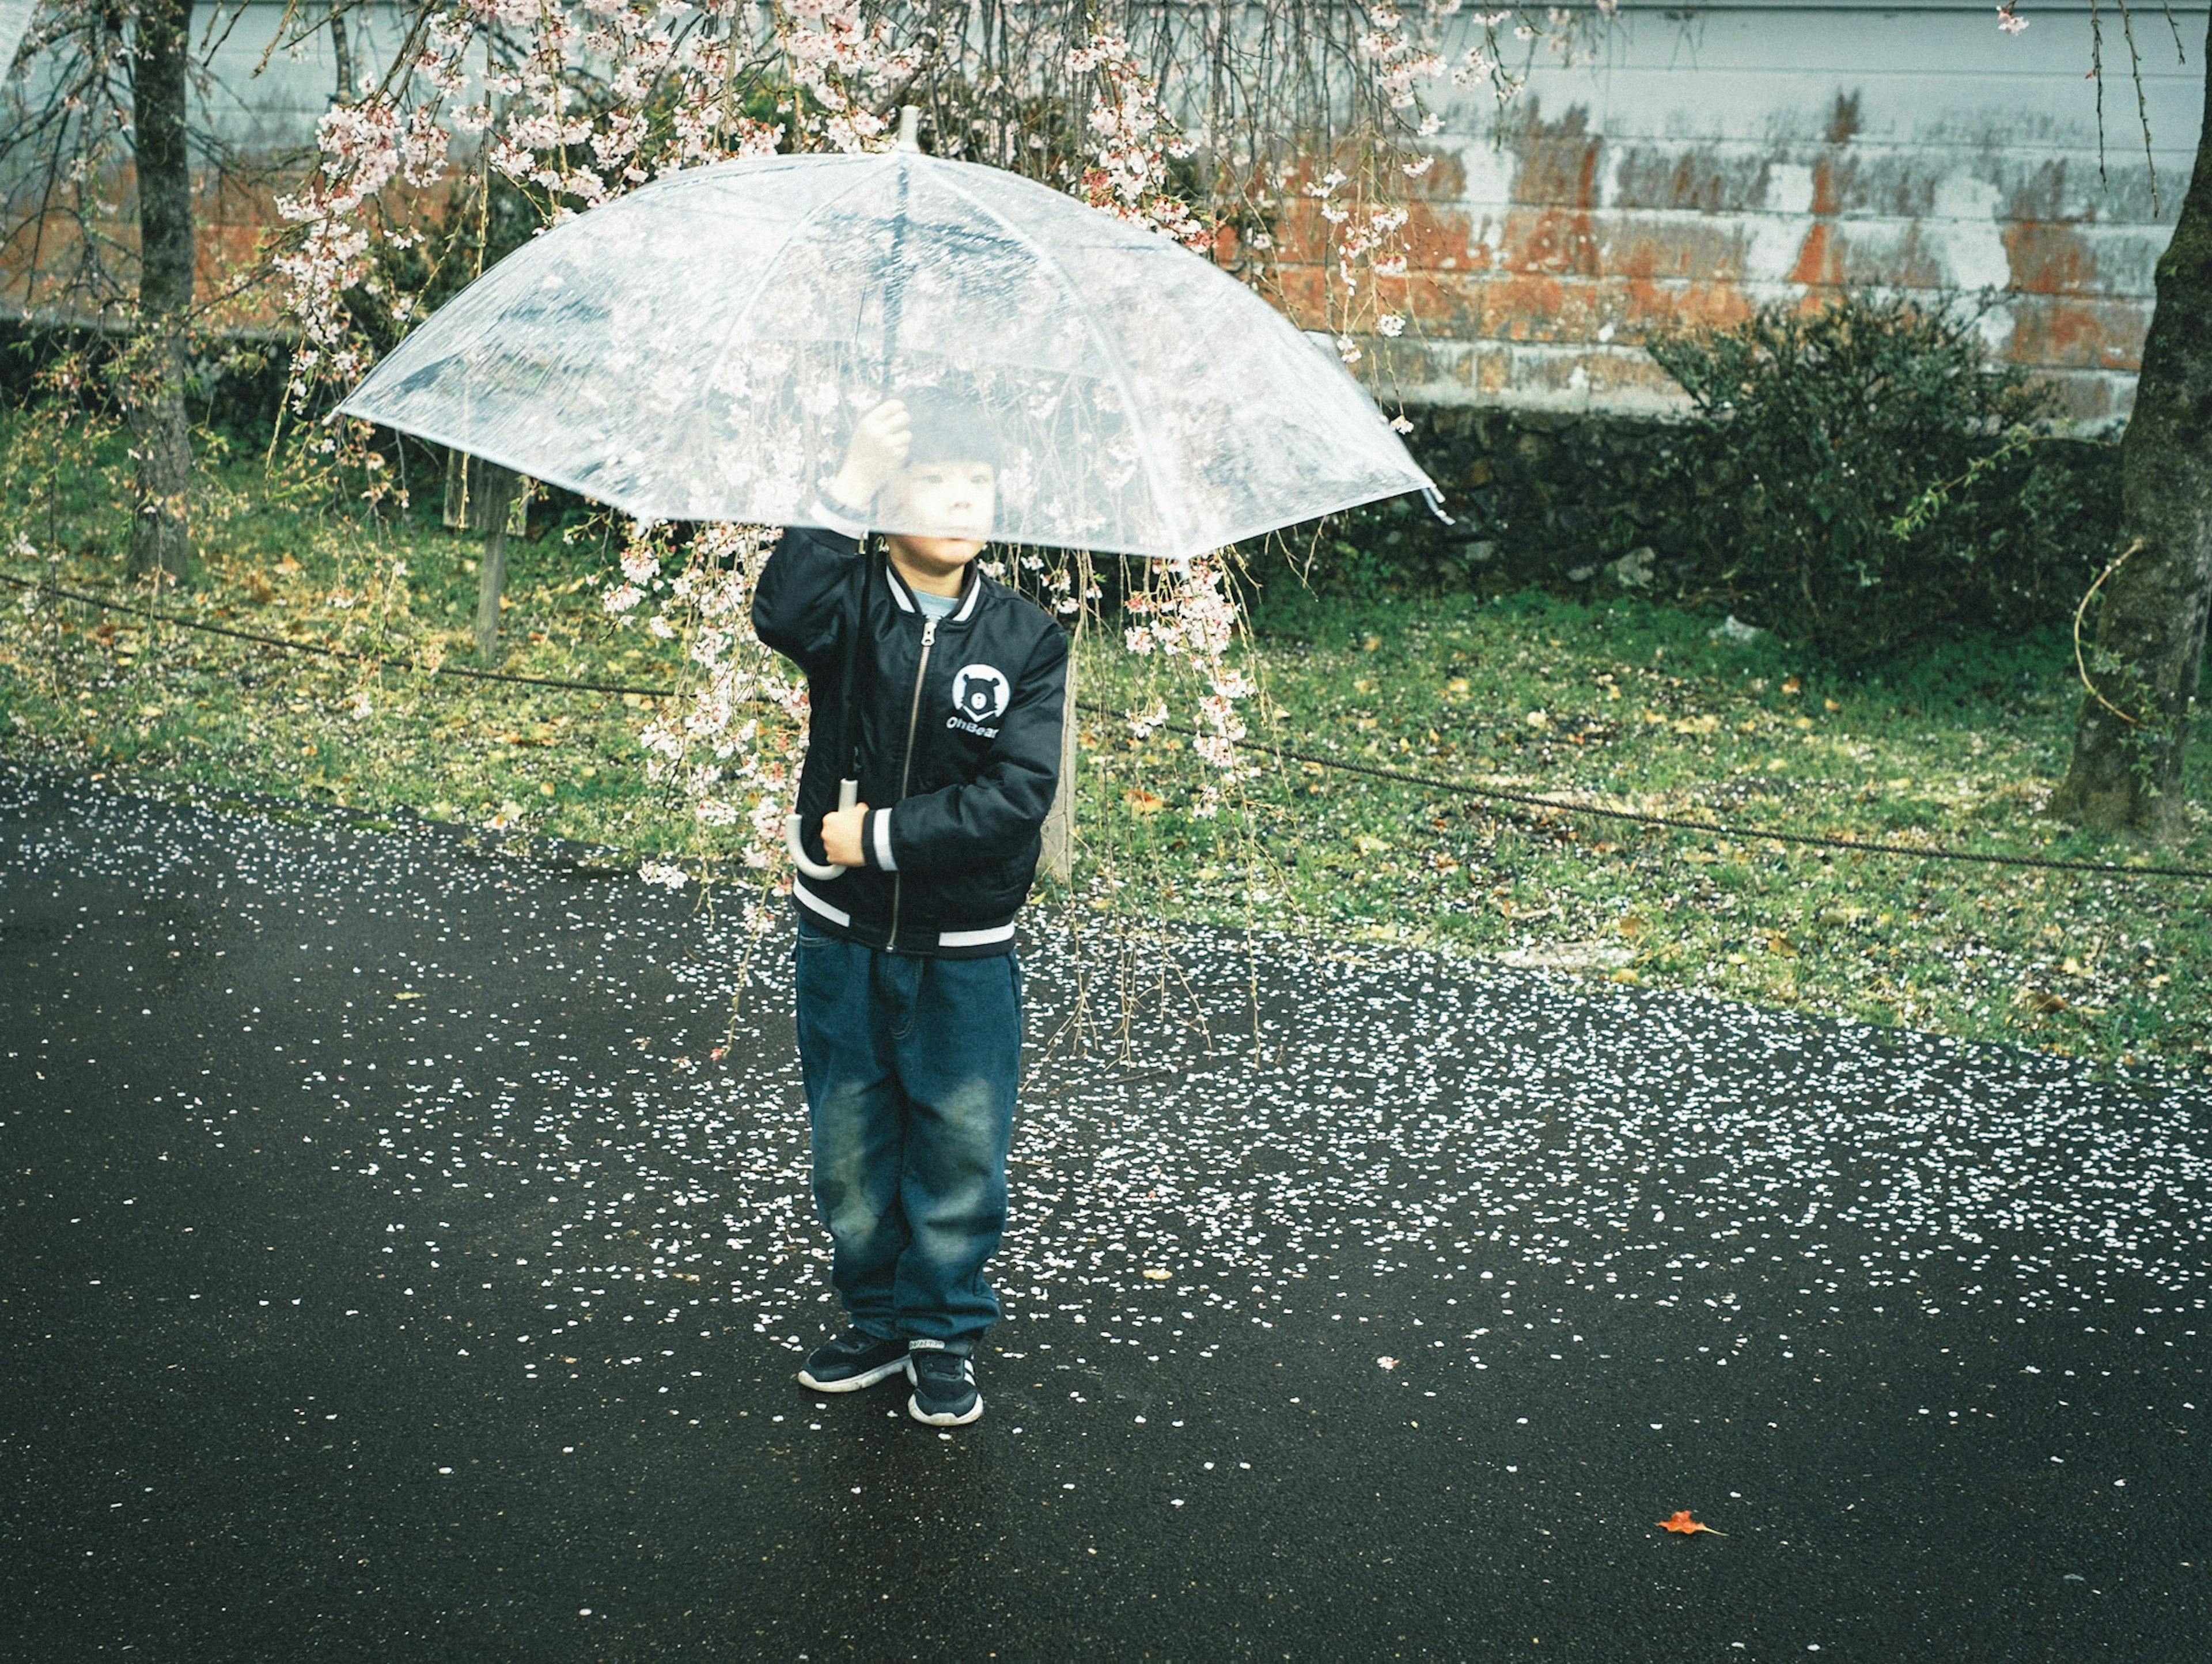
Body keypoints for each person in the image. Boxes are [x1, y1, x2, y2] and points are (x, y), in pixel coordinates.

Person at [751, 391, 1068, 1428]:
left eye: (978, 483)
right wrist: (842, 480)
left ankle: (942, 1326)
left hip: (963, 947)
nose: (961, 501)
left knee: (960, 1138)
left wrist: (879, 837)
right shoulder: (848, 602)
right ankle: (880, 1318)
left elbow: (1017, 796)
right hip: (841, 935)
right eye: (934, 480)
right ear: (888, 501)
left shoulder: (1026, 637)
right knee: (849, 1138)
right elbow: (778, 615)